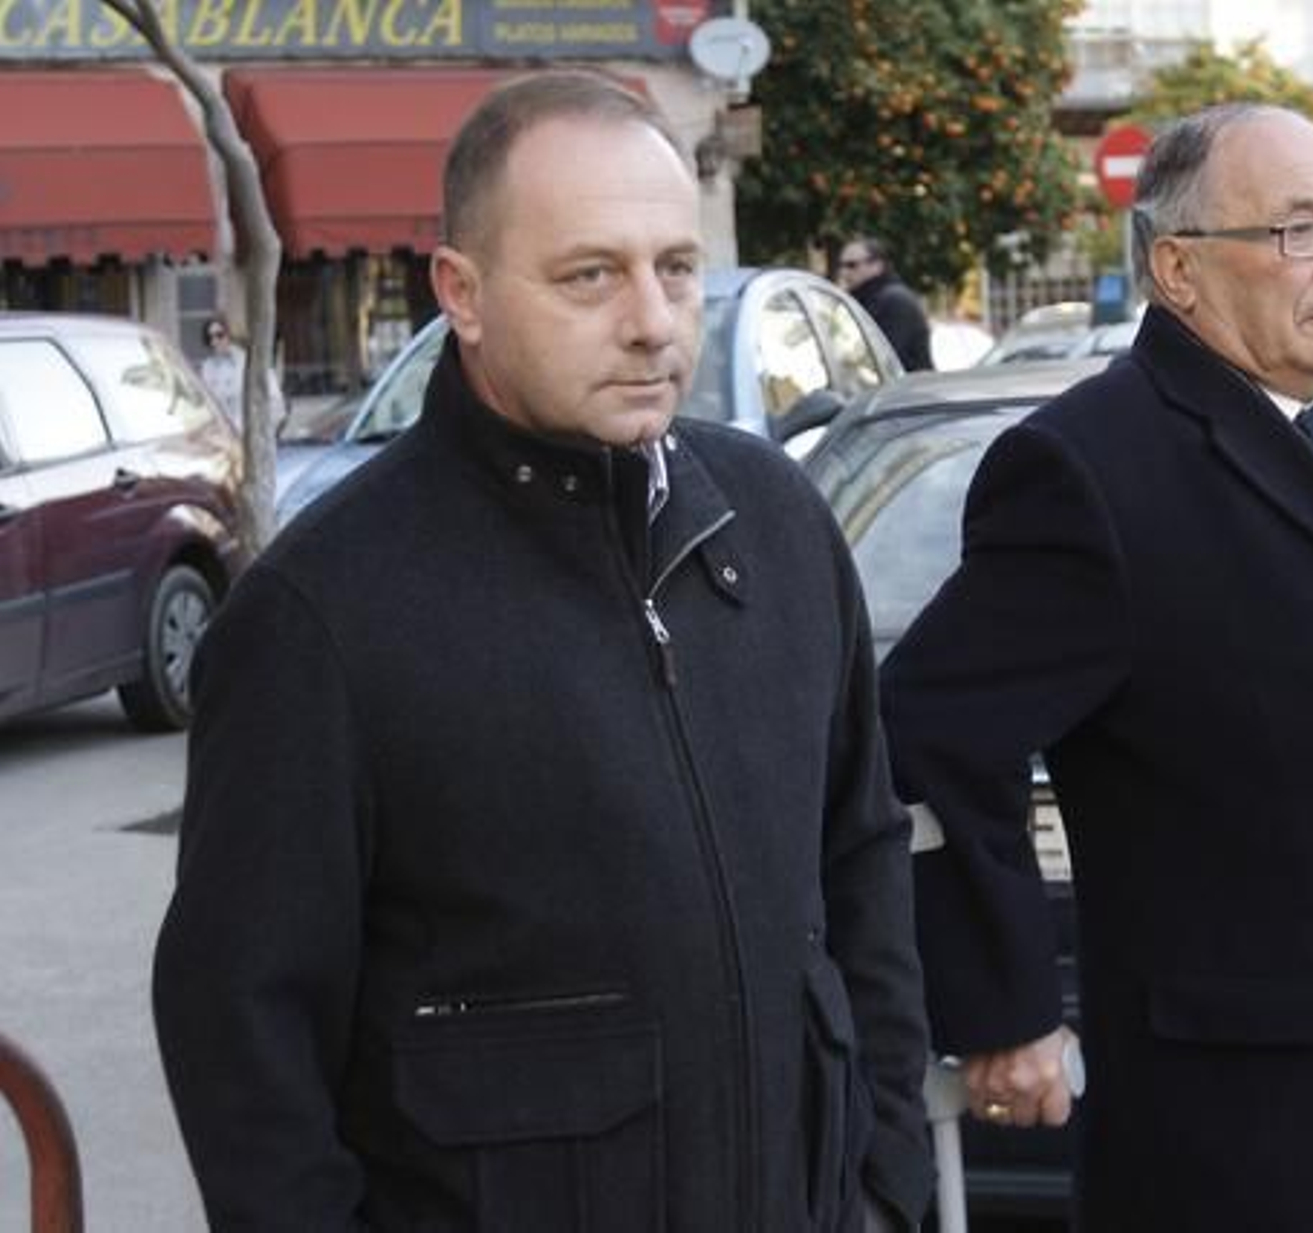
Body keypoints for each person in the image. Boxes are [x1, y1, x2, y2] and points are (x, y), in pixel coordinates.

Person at [153, 69, 932, 1232]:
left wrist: (886, 1190)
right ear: (460, 293)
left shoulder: (774, 521)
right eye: (589, 276)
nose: (652, 321)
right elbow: (244, 1038)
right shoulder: (320, 615)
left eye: (674, 267)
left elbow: (863, 868)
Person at [879, 103, 1313, 1232]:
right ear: (1178, 269)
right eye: (1297, 231)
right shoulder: (1087, 469)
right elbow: (926, 734)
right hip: (1260, 1134)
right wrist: (1004, 1008)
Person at [837, 236, 933, 371]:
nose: (844, 272)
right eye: (841, 266)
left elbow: (884, 360)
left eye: (851, 265)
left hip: (908, 389)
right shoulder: (867, 299)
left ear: (876, 266)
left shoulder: (894, 301)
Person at [198, 314, 285, 436]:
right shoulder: (207, 368)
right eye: (209, 338)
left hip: (249, 438)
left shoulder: (253, 364)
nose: (214, 342)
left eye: (219, 335)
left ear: (229, 334)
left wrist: (259, 433)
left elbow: (277, 405)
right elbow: (203, 406)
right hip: (221, 440)